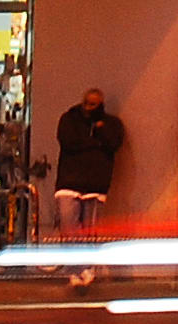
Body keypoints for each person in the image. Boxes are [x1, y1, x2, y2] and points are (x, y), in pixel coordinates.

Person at [50, 87, 123, 231]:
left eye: (93, 104)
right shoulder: (70, 119)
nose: (89, 108)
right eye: (87, 103)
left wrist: (99, 131)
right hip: (70, 185)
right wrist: (97, 143)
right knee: (70, 232)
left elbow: (113, 143)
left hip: (95, 186)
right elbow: (69, 142)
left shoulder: (111, 124)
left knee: (90, 236)